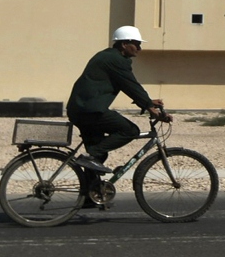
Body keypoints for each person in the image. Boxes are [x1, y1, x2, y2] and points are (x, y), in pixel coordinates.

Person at [66, 25, 166, 174]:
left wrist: (148, 102)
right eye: (137, 44)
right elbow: (130, 85)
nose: (139, 48)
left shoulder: (108, 56)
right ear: (124, 44)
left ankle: (90, 195)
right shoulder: (115, 60)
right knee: (130, 130)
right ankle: (89, 155)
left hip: (81, 109)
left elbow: (128, 85)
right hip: (89, 111)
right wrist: (149, 106)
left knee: (98, 157)